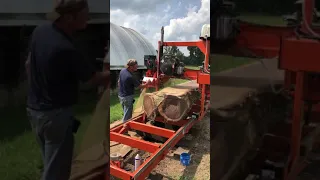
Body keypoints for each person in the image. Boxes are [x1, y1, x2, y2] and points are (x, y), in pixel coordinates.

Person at [25, 0, 109, 180]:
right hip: (56, 118)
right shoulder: (66, 48)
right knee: (57, 173)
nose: (89, 16)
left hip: (34, 111)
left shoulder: (40, 31)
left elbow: (28, 64)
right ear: (70, 17)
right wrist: (109, 73)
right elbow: (90, 80)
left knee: (50, 162)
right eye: (85, 13)